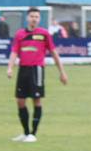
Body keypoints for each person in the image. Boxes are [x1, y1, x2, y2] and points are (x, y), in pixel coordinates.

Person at [7, 7, 68, 143]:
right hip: (23, 70)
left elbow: (54, 53)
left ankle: (33, 134)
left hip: (37, 70)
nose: (34, 19)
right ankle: (25, 133)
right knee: (20, 101)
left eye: (36, 17)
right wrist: (10, 68)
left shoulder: (44, 34)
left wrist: (62, 72)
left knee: (37, 100)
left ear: (39, 19)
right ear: (27, 18)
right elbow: (14, 52)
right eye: (32, 16)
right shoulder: (20, 34)